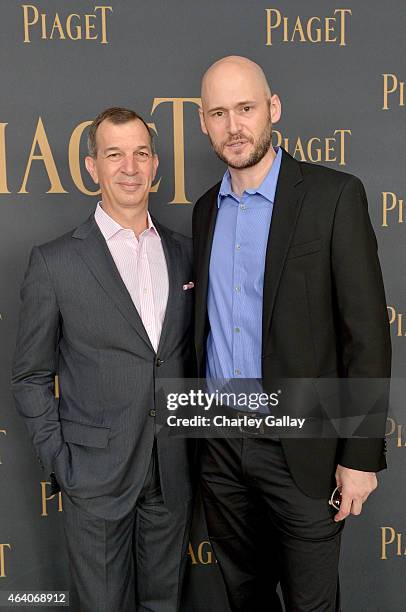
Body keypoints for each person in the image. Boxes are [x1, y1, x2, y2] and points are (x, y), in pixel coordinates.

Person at [192, 56, 391, 611]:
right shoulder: (206, 209)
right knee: (245, 597)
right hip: (221, 446)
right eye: (219, 113)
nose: (234, 126)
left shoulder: (333, 196)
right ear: (204, 124)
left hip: (303, 449)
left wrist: (360, 456)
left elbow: (368, 333)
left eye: (246, 109)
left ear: (273, 109)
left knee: (311, 604)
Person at [12, 107, 195, 612]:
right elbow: (30, 376)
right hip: (93, 477)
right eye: (114, 154)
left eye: (140, 153)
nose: (129, 167)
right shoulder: (56, 262)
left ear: (156, 164)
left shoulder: (184, 254)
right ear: (92, 167)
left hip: (172, 472)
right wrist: (63, 463)